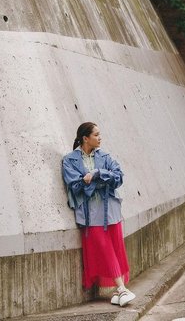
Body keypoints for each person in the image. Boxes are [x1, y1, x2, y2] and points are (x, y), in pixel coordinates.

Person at [62, 122, 136, 307]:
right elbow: (76, 185)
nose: (100, 137)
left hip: (109, 210)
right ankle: (121, 288)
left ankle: (119, 292)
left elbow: (118, 177)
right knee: (104, 248)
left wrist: (96, 174)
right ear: (85, 138)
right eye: (96, 134)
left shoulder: (105, 157)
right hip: (89, 214)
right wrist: (102, 181)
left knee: (115, 248)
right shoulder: (69, 160)